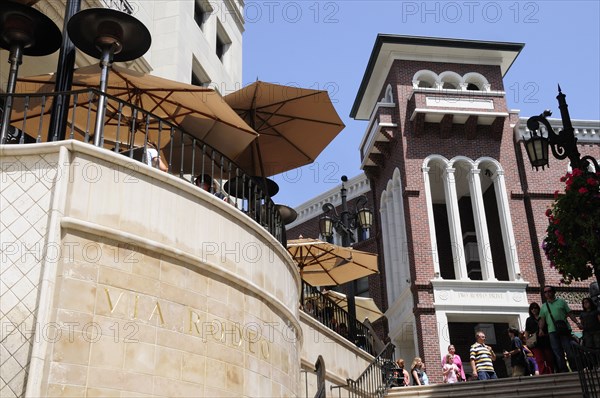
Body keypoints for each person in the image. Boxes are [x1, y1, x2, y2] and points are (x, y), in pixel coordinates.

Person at [538, 286, 582, 373]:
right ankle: (563, 370)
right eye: (545, 292)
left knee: (568, 350)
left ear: (553, 292)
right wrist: (540, 329)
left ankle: (574, 368)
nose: (547, 293)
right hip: (552, 331)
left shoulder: (561, 302)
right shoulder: (543, 306)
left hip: (564, 330)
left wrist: (577, 323)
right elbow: (542, 319)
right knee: (557, 352)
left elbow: (570, 313)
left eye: (549, 291)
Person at [524, 302, 555, 374]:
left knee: (549, 358)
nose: (534, 310)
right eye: (532, 309)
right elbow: (527, 331)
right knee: (539, 359)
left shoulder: (543, 317)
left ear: (538, 309)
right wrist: (527, 341)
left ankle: (551, 372)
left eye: (535, 308)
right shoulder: (529, 320)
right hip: (535, 342)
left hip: (545, 340)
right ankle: (543, 373)